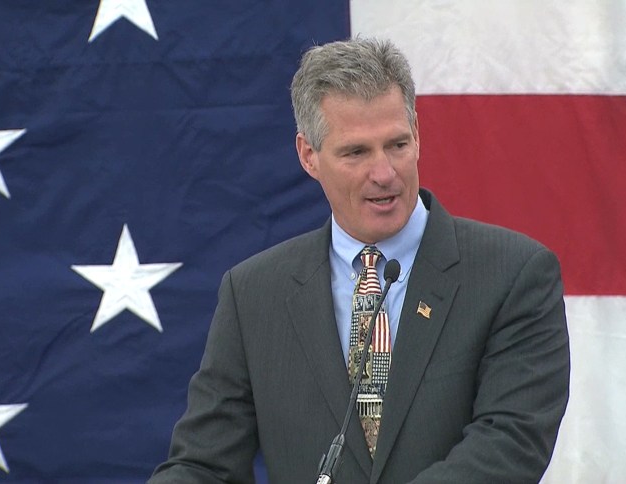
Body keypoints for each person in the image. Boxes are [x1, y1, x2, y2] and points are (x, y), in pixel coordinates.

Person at [149, 38, 569, 484]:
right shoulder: (254, 293)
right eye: (356, 152)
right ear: (308, 155)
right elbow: (204, 465)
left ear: (417, 135)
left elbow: (511, 443)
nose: (384, 173)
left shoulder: (513, 274)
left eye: (397, 145)